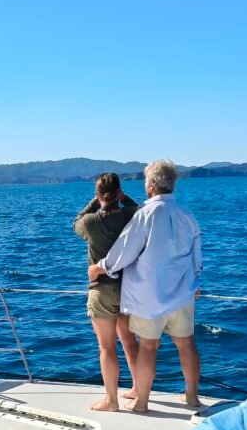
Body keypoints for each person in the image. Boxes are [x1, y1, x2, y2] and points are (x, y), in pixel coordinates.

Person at [87, 160, 202, 413]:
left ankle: (142, 403)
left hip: (150, 296)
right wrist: (196, 280)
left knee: (149, 347)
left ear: (151, 184)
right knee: (187, 344)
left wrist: (99, 268)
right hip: (183, 294)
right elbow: (196, 255)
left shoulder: (145, 214)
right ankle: (192, 397)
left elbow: (124, 252)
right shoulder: (187, 214)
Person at [74, 172, 139, 411]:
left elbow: (76, 223)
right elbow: (142, 210)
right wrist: (126, 198)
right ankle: (138, 389)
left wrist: (94, 202)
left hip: (102, 290)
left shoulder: (91, 222)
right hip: (128, 288)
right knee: (130, 342)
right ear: (118, 192)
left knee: (107, 347)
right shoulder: (129, 215)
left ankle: (111, 401)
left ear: (99, 194)